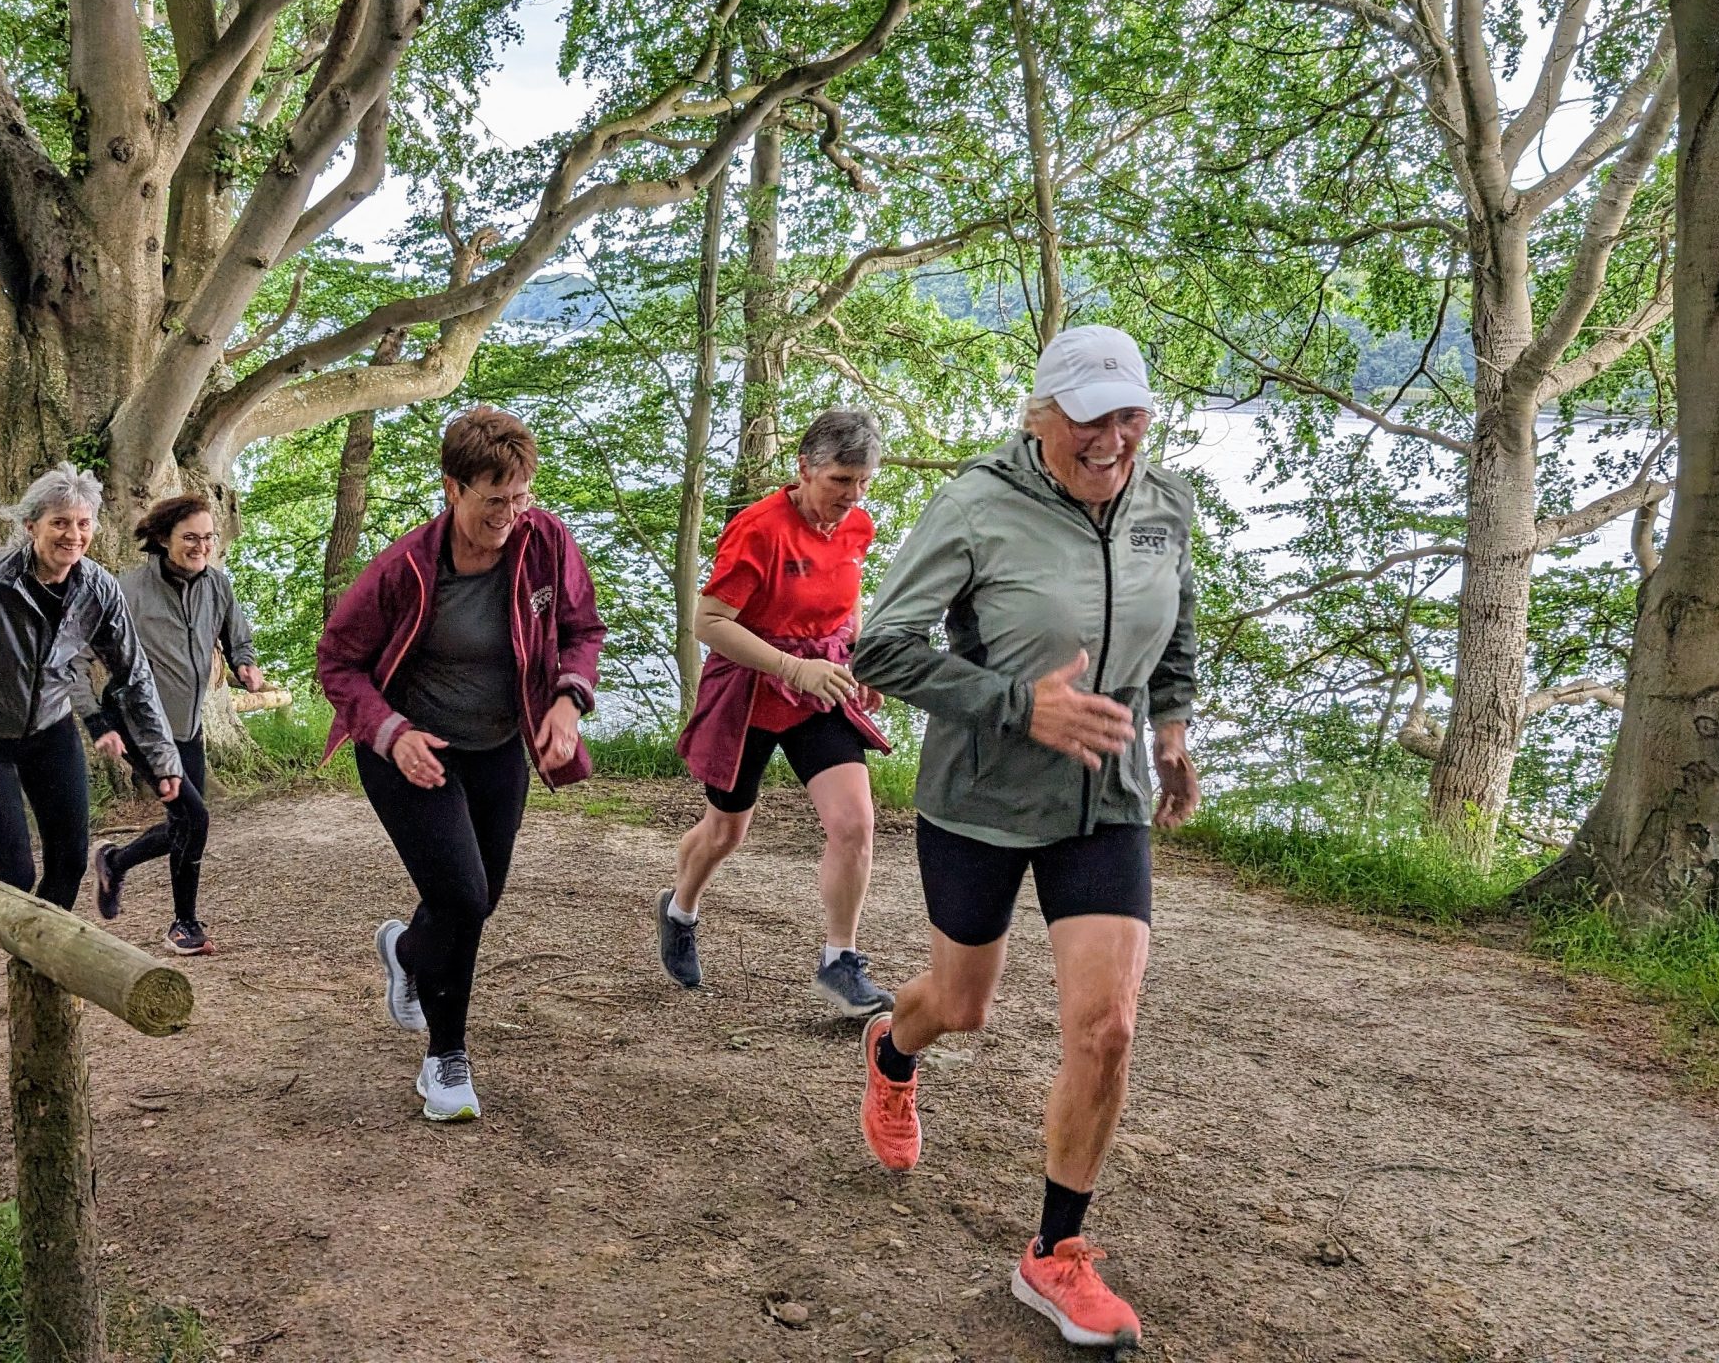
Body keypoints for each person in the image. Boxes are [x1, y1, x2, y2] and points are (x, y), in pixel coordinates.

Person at [848, 324, 1200, 1351]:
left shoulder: (1165, 504)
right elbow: (881, 645)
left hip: (1106, 796)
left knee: (1108, 1028)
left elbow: (1174, 628)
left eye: (1129, 414)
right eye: (1089, 419)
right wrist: (1017, 704)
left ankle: (1053, 1255)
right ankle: (893, 1046)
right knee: (959, 1006)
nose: (1113, 439)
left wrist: (1171, 728)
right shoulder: (973, 505)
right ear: (1041, 416)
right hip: (984, 799)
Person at [318, 407, 605, 1122]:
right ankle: (446, 1059)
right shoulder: (406, 566)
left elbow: (581, 629)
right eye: (493, 499)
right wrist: (389, 732)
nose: (510, 514)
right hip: (409, 751)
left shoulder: (545, 543)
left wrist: (568, 702)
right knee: (464, 901)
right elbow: (338, 660)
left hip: (499, 747)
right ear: (453, 489)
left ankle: (409, 952)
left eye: (521, 496)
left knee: (479, 894)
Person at [0, 464, 183, 1005]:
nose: (72, 536)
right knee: (11, 868)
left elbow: (133, 675)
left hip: (51, 731)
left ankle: (34, 967)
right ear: (31, 526)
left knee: (70, 860)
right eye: (59, 523)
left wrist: (162, 757)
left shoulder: (98, 588)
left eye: (83, 524)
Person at [662, 409, 893, 1015]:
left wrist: (858, 657)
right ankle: (681, 908)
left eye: (864, 480)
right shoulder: (758, 529)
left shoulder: (857, 527)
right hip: (748, 695)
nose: (852, 496)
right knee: (726, 831)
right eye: (841, 480)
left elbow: (846, 605)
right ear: (804, 468)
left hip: (819, 691)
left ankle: (839, 963)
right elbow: (708, 623)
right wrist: (792, 668)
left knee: (854, 824)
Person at [80, 494, 266, 956]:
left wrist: (245, 665)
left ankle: (114, 861)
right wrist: (98, 720)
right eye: (190, 538)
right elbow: (75, 657)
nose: (200, 546)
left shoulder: (217, 586)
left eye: (208, 538)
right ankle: (184, 923)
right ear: (164, 540)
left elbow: (235, 635)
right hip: (136, 724)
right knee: (194, 817)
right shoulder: (125, 591)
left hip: (187, 726)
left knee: (187, 822)